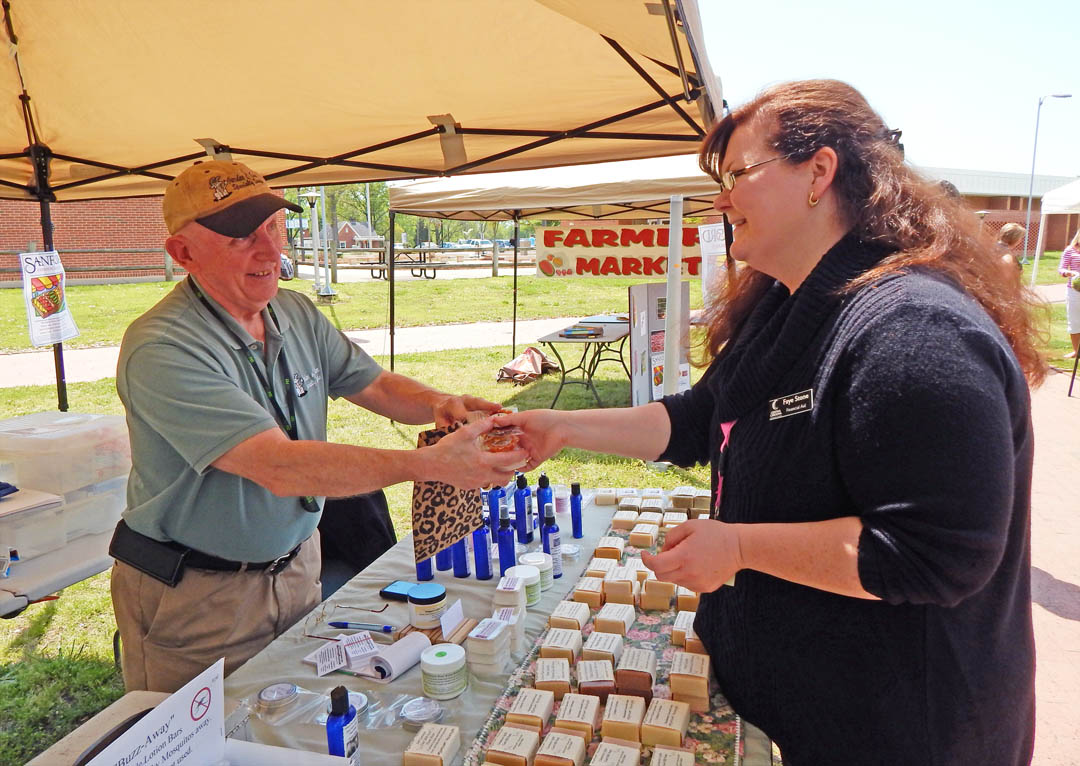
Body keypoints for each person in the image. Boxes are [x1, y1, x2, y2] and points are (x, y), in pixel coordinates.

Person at [498, 80, 1041, 765]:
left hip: (901, 730)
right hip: (802, 710)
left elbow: (932, 554)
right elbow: (699, 421)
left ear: (819, 171)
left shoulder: (912, 330)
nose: (721, 199)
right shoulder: (790, 305)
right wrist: (562, 428)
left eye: (738, 175)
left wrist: (738, 548)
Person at [110, 159, 525, 693]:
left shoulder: (293, 311)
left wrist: (438, 401)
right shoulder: (162, 347)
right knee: (202, 741)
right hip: (198, 594)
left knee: (295, 718)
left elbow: (372, 384)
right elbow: (279, 467)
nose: (270, 251)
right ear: (183, 253)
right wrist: (428, 464)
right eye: (240, 236)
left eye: (275, 228)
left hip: (298, 565)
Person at [1059, 228, 1080, 358]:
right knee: (1074, 321)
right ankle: (1077, 352)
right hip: (1074, 290)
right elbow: (1061, 268)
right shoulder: (1070, 250)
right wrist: (1070, 273)